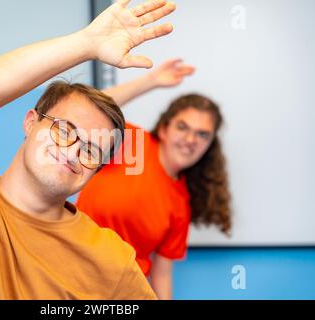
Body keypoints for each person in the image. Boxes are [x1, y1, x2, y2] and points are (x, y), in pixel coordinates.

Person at [0, 0, 178, 299]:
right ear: (31, 122)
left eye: (91, 150)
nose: (73, 151)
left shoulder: (110, 261)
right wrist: (87, 43)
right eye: (64, 130)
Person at [77, 58, 232, 299]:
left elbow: (161, 274)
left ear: (209, 145)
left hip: (124, 294)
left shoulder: (181, 203)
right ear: (164, 128)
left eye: (202, 134)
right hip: (72, 276)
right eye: (183, 127)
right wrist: (151, 81)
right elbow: (87, 111)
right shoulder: (132, 144)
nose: (191, 139)